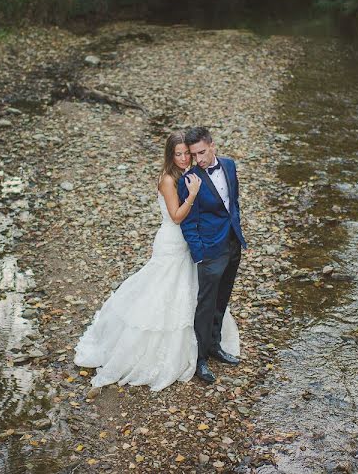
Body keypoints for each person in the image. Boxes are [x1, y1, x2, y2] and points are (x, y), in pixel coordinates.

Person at [73, 132, 239, 391]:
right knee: (164, 292)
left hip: (196, 242)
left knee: (195, 293)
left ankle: (207, 345)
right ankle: (186, 356)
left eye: (189, 153)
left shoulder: (205, 170)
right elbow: (176, 217)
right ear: (170, 155)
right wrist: (193, 195)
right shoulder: (168, 180)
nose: (186, 159)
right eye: (180, 154)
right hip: (173, 242)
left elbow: (225, 205)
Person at [177, 126, 246, 383]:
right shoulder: (190, 179)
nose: (199, 159)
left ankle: (215, 346)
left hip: (232, 244)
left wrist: (236, 233)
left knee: (222, 299)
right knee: (205, 306)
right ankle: (200, 359)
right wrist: (200, 255)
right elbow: (188, 224)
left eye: (202, 152)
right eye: (194, 155)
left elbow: (233, 202)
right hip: (209, 252)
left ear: (213, 146)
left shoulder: (228, 165)